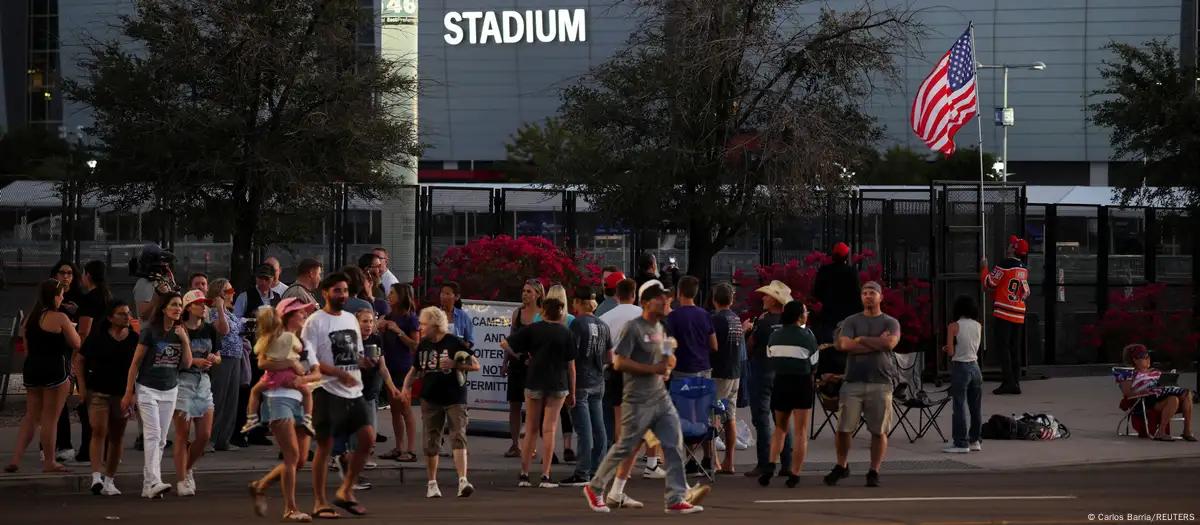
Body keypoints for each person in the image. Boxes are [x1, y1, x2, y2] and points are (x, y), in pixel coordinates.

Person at [582, 280, 705, 514]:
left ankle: (676, 497)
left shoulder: (660, 328)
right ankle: (595, 487)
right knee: (625, 446)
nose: (666, 302)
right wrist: (652, 370)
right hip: (637, 398)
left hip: (659, 396)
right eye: (661, 299)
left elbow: (668, 358)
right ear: (647, 303)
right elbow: (618, 361)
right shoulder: (634, 328)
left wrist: (669, 359)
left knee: (673, 442)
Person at [303, 272, 374, 518]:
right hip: (327, 390)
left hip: (354, 391)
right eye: (337, 291)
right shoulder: (315, 321)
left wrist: (361, 362)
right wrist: (336, 373)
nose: (342, 295)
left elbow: (354, 353)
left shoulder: (351, 319)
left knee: (367, 438)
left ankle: (345, 491)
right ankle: (320, 502)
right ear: (325, 292)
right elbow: (309, 361)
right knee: (325, 446)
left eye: (345, 290)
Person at [247, 297, 323, 522]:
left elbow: (317, 373)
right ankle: (290, 508)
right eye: (300, 312)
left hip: (301, 399)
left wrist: (302, 380)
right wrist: (291, 365)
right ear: (289, 316)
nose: (304, 316)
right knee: (291, 456)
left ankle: (260, 486)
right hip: (278, 398)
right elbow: (262, 363)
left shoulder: (306, 343)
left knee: (299, 460)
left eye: (305, 312)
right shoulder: (275, 338)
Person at [825, 281, 901, 488]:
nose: (868, 296)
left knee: (878, 431)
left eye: (872, 293)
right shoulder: (851, 321)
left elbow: (890, 343)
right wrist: (876, 343)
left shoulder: (890, 322)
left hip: (881, 383)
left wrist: (860, 340)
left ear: (880, 297)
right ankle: (842, 465)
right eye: (865, 293)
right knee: (843, 428)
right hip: (852, 382)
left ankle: (874, 470)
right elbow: (842, 344)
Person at [400, 306, 480, 499]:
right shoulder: (423, 345)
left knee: (458, 436)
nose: (420, 327)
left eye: (423, 324)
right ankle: (432, 483)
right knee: (431, 439)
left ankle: (462, 480)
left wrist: (455, 364)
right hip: (431, 397)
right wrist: (405, 388)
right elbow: (415, 370)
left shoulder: (453, 342)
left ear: (434, 325)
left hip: (455, 397)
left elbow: (475, 365)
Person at [5, 279, 81, 474]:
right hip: (55, 370)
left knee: (30, 415)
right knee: (50, 419)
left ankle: (16, 458)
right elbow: (76, 343)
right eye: (61, 294)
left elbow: (27, 348)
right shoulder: (60, 318)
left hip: (32, 369)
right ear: (55, 296)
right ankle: (49, 461)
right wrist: (72, 327)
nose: (62, 297)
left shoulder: (30, 318)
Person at [122, 292, 194, 498]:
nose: (178, 308)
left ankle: (148, 485)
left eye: (180, 305)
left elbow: (187, 364)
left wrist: (185, 341)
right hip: (147, 388)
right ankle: (155, 481)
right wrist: (129, 392)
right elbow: (135, 363)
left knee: (161, 439)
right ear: (163, 308)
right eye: (173, 304)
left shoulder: (181, 332)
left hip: (170, 389)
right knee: (152, 435)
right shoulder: (150, 332)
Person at [505, 297, 576, 488]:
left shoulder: (532, 329)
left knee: (531, 428)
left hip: (534, 380)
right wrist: (573, 391)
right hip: (558, 384)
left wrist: (523, 356)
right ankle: (546, 474)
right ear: (561, 313)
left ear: (543, 311)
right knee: (550, 428)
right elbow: (571, 366)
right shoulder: (566, 333)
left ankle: (525, 474)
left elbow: (506, 343)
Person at [74, 301, 136, 495]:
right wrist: (82, 387)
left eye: (128, 313)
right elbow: (80, 359)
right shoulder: (98, 337)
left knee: (117, 436)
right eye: (121, 314)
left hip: (122, 393)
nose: (126, 317)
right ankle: (95, 477)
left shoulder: (134, 339)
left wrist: (133, 393)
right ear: (110, 318)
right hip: (98, 391)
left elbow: (139, 367)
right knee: (98, 430)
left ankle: (110, 478)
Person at [558, 286, 611, 487]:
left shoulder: (577, 324)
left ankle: (583, 472)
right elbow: (610, 356)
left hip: (580, 381)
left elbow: (571, 357)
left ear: (579, 303)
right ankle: (599, 469)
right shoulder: (603, 325)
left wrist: (569, 388)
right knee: (599, 427)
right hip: (598, 380)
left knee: (584, 429)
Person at [760, 301, 818, 487]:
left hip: (781, 382)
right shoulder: (807, 336)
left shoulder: (775, 335)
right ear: (800, 316)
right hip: (801, 382)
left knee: (780, 427)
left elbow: (769, 357)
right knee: (800, 430)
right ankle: (795, 473)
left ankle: (770, 464)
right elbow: (814, 362)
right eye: (805, 311)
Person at [665, 275, 717, 473]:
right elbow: (714, 344)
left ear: (679, 293)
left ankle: (691, 459)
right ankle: (708, 457)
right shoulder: (704, 315)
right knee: (703, 414)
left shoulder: (674, 317)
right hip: (704, 369)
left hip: (682, 371)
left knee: (686, 416)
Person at [172, 290, 222, 496]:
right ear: (188, 307)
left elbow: (218, 355)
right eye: (199, 304)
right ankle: (181, 479)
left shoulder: (209, 329)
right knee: (182, 435)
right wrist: (194, 361)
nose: (204, 307)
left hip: (203, 382)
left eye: (205, 304)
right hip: (183, 382)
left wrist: (214, 359)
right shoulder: (179, 330)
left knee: (204, 435)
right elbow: (174, 360)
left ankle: (188, 466)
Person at [242, 305, 317, 437]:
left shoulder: (265, 338)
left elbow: (257, 352)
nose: (304, 315)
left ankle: (251, 418)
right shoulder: (290, 337)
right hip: (288, 378)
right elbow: (298, 349)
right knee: (307, 393)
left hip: (271, 377)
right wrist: (292, 362)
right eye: (300, 312)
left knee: (254, 391)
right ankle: (308, 419)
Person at [745, 280, 793, 479]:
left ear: (774, 300)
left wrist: (747, 330)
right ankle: (787, 463)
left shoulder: (763, 322)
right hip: (784, 373)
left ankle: (764, 463)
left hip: (762, 370)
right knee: (782, 420)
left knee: (762, 419)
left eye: (767, 295)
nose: (763, 297)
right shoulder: (790, 322)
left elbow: (751, 347)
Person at [72, 260, 112, 462]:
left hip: (90, 356)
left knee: (87, 401)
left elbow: (84, 331)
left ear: (88, 275)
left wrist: (77, 355)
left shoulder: (89, 299)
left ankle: (88, 448)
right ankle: (104, 447)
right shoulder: (107, 297)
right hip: (107, 354)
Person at [982, 235, 1031, 395]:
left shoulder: (1004, 264)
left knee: (1003, 348)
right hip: (1019, 312)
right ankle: (1015, 381)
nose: (1008, 245)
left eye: (1011, 244)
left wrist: (984, 268)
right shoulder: (1023, 268)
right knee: (1014, 347)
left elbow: (989, 284)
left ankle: (1008, 382)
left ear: (1014, 249)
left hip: (1004, 311)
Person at [1119, 344, 1195, 442]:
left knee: (1186, 393)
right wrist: (1147, 390)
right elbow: (1128, 394)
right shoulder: (1130, 374)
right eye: (1144, 357)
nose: (1148, 359)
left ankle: (1187, 431)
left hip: (1163, 395)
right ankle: (1161, 432)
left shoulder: (1155, 371)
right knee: (1173, 399)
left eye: (1148, 356)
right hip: (1148, 400)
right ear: (1135, 359)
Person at [379, 283, 420, 462]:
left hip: (404, 367)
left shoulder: (410, 318)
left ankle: (410, 450)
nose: (389, 295)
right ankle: (398, 446)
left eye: (393, 293)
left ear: (402, 296)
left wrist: (398, 331)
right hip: (389, 365)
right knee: (394, 409)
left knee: (405, 407)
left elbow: (415, 345)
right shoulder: (389, 315)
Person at [535, 284, 575, 463]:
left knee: (544, 415)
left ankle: (547, 452)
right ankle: (567, 446)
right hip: (563, 371)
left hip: (541, 371)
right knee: (565, 412)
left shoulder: (538, 318)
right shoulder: (571, 320)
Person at [504, 279, 543, 458]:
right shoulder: (517, 313)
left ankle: (531, 444)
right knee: (514, 403)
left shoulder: (542, 314)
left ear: (537, 294)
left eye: (529, 291)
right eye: (524, 290)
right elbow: (511, 338)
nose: (525, 294)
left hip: (534, 365)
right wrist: (505, 361)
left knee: (532, 406)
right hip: (516, 362)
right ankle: (514, 444)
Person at [709, 283, 744, 474]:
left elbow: (711, 345)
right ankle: (729, 461)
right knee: (730, 417)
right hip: (735, 371)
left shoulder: (716, 320)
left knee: (713, 416)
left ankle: (714, 460)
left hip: (719, 372)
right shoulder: (736, 319)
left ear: (715, 299)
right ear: (731, 300)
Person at [50, 260, 83, 462]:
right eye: (62, 273)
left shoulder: (79, 297)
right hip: (56, 354)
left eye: (69, 273)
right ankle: (58, 444)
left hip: (76, 351)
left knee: (84, 400)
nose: (66, 276)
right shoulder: (48, 297)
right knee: (56, 403)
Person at [206, 278, 244, 451]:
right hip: (223, 356)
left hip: (235, 357)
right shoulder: (215, 311)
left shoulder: (231, 312)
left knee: (231, 399)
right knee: (219, 397)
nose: (232, 294)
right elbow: (224, 330)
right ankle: (211, 438)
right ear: (219, 294)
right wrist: (220, 307)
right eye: (228, 291)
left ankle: (224, 439)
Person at [943, 295, 984, 454]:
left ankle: (961, 442)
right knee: (976, 407)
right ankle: (975, 440)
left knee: (959, 406)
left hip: (961, 367)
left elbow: (951, 351)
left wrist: (947, 349)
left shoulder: (953, 326)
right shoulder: (978, 325)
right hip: (975, 367)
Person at [813, 242, 861, 346]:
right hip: (847, 314)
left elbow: (817, 292)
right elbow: (857, 294)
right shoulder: (851, 272)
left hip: (828, 313)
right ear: (846, 257)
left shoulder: (824, 270)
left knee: (828, 345)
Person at [440, 282, 475, 347]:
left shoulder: (463, 316)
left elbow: (470, 341)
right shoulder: (435, 314)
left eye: (447, 294)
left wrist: (462, 345)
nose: (443, 296)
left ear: (457, 297)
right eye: (442, 293)